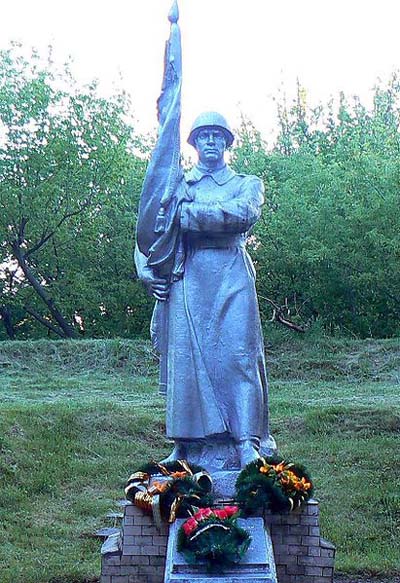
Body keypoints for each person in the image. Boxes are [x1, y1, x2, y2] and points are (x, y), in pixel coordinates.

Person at [135, 112, 274, 469]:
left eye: (217, 136)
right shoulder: (176, 184)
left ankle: (246, 442)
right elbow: (148, 232)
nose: (210, 142)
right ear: (194, 143)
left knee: (239, 358)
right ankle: (184, 446)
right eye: (203, 136)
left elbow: (242, 214)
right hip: (188, 275)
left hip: (231, 275)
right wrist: (145, 269)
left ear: (228, 142)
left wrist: (187, 217)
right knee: (186, 362)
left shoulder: (246, 183)